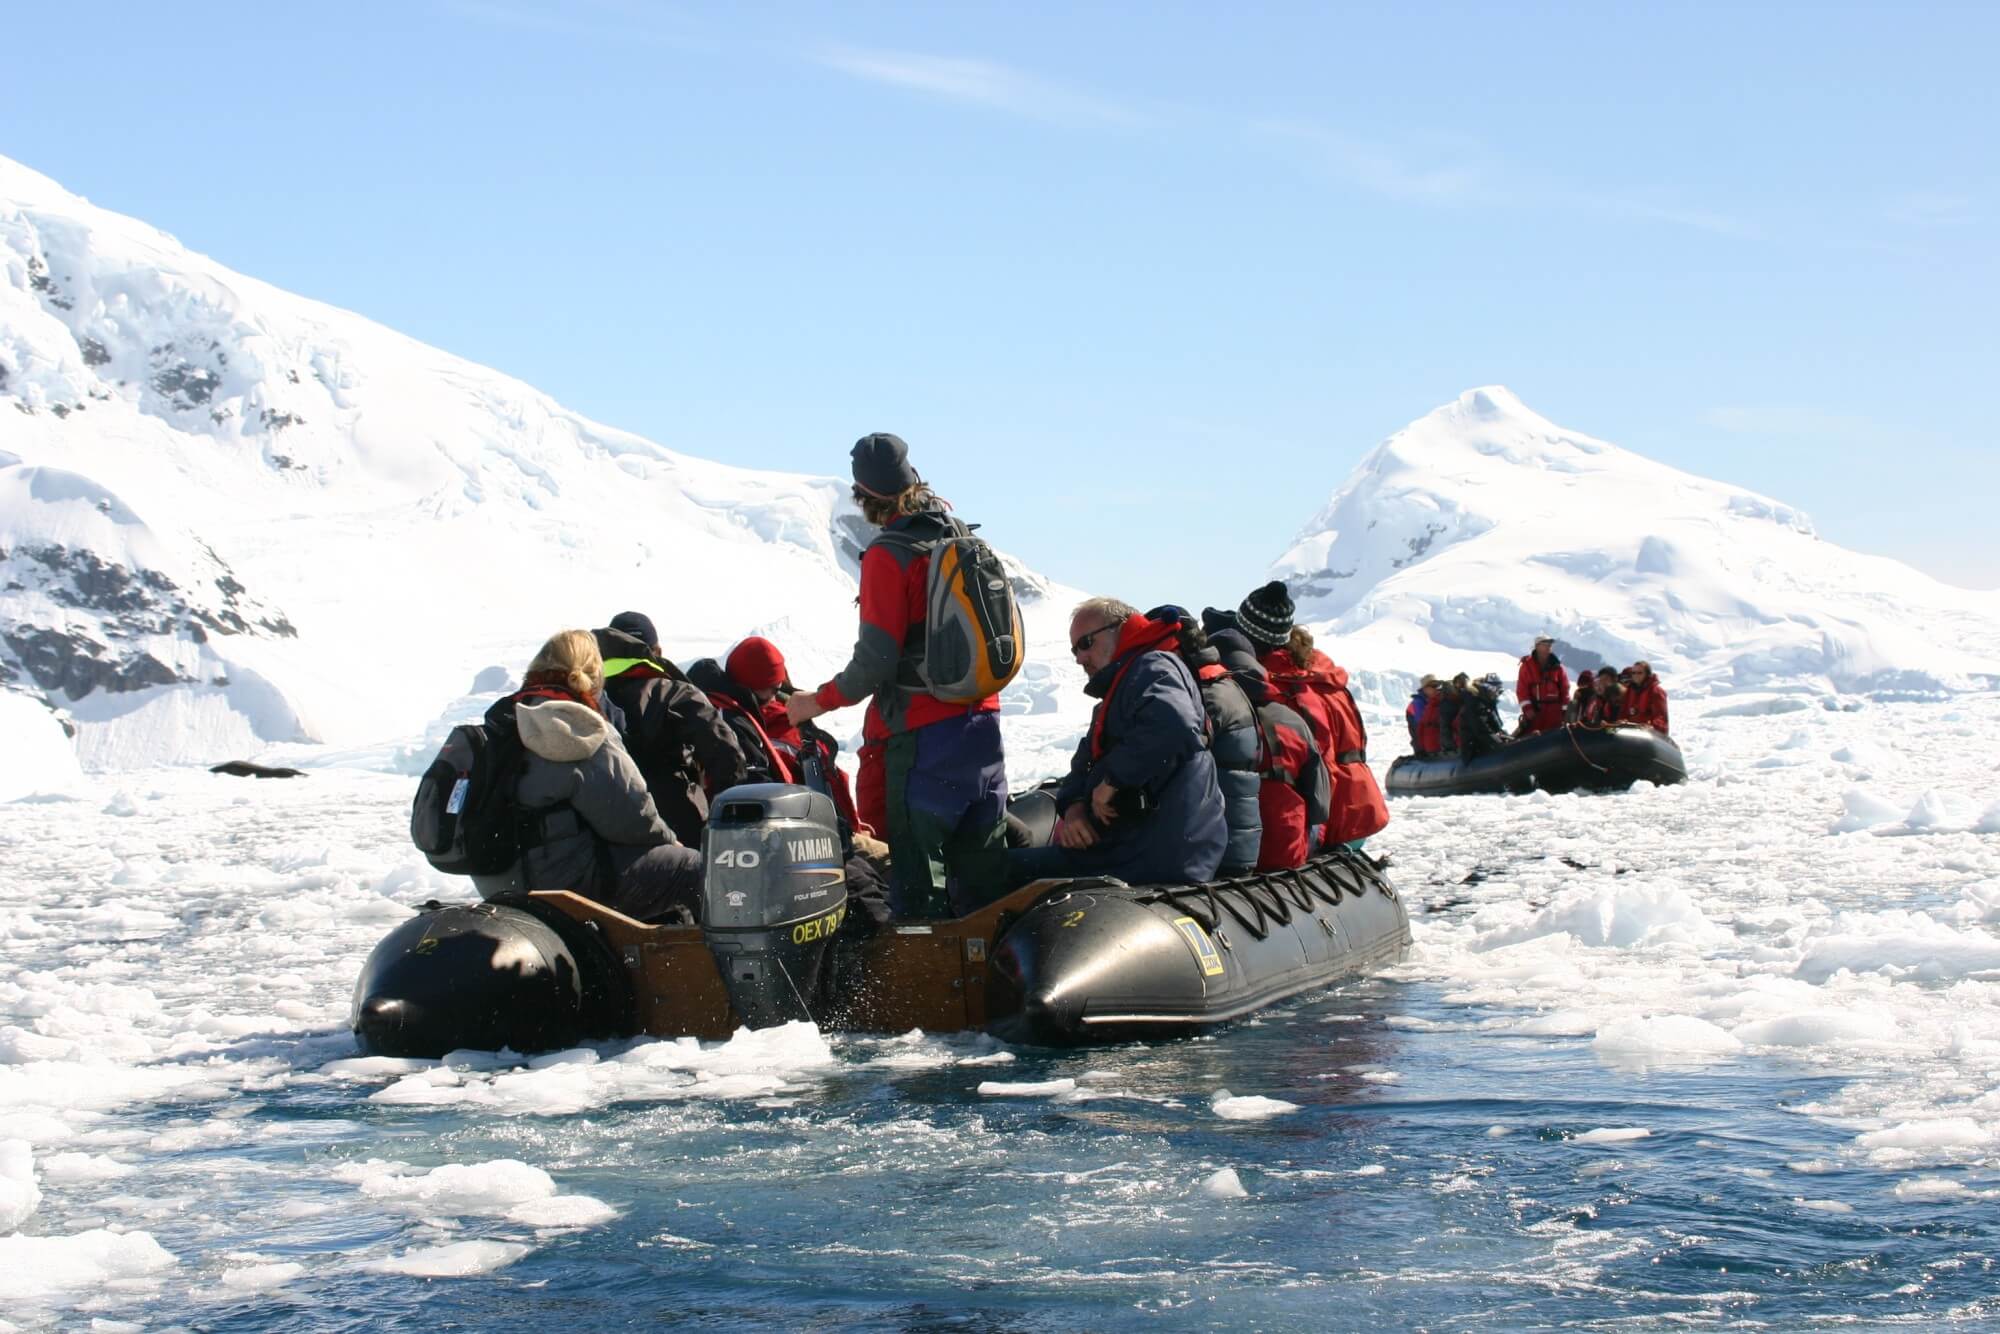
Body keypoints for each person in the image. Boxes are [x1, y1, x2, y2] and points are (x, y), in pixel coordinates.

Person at [786, 434, 1009, 918]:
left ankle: (924, 990)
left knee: (918, 890)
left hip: (923, 740)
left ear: (864, 496)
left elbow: (876, 661)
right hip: (982, 730)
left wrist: (816, 702)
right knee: (983, 882)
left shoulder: (891, 553)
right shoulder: (956, 536)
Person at [471, 630, 702, 923]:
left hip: (497, 883)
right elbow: (633, 818)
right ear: (593, 675)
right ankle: (701, 966)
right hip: (559, 886)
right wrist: (671, 841)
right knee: (693, 869)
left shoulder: (504, 718)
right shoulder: (578, 726)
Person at [1006, 599, 1227, 888]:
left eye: (1085, 643)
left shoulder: (1154, 667)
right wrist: (1073, 811)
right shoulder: (1122, 689)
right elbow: (1081, 764)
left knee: (999, 871)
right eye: (1074, 649)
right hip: (1128, 848)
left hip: (1153, 855)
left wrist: (1111, 782)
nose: (1079, 658)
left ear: (1119, 630)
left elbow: (1174, 722)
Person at [1235, 581, 1388, 850]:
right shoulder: (1324, 677)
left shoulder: (1280, 689)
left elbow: (1315, 773)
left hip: (1327, 822)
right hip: (1359, 813)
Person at [593, 612, 748, 848]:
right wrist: (725, 818)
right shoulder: (675, 693)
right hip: (676, 825)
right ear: (657, 651)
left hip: (602, 830)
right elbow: (727, 754)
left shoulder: (584, 696)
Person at [1204, 610, 1331, 871]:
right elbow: (1320, 804)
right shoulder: (1293, 720)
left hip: (1224, 858)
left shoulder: (1207, 714)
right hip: (1288, 851)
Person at [1151, 605, 1262, 877]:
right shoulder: (1224, 685)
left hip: (1212, 856)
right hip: (1237, 847)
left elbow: (1168, 763)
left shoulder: (1198, 697)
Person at [1516, 635, 1570, 737]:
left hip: (1554, 714)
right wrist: (1527, 708)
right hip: (1535, 713)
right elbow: (1522, 689)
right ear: (1537, 646)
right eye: (1545, 645)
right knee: (1532, 741)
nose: (1548, 647)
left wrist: (1564, 711)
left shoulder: (1558, 667)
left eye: (1549, 645)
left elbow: (1565, 689)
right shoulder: (1527, 666)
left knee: (1553, 740)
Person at [1458, 674, 1510, 759]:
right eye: (1497, 690)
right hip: (1474, 752)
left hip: (1485, 746)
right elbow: (1481, 730)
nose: (1498, 694)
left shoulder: (1487, 702)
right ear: (1489, 688)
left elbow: (1496, 727)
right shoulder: (1474, 703)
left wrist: (1506, 737)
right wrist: (1500, 744)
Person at [1620, 660, 1670, 735]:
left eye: (1640, 673)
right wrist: (1621, 721)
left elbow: (1661, 717)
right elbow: (1623, 712)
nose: (1636, 675)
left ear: (1647, 674)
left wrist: (1653, 726)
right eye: (1633, 673)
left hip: (1648, 735)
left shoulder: (1656, 691)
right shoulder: (1629, 692)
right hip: (1631, 733)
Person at [1406, 675, 1443, 758]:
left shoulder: (1433, 701)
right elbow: (1421, 727)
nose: (1436, 689)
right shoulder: (1418, 704)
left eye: (1437, 686)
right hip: (1422, 748)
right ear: (1425, 688)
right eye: (1433, 686)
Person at [1435, 673, 1469, 756]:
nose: (1462, 687)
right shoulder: (1448, 702)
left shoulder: (1461, 699)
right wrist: (1451, 747)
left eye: (1464, 684)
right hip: (1456, 746)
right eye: (1460, 683)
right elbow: (1445, 727)